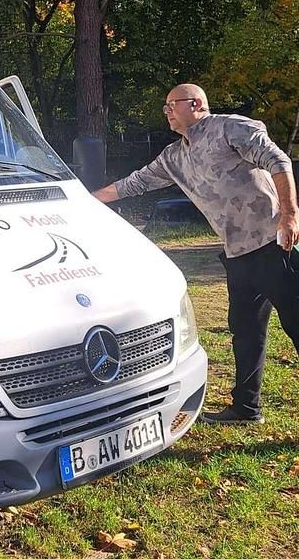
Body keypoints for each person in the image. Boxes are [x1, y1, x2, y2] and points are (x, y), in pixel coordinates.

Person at [92, 83, 298, 425]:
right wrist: (85, 199)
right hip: (237, 255)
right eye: (165, 107)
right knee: (245, 332)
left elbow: (278, 160)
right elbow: (135, 183)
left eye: (172, 105)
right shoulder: (175, 156)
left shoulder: (230, 128)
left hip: (276, 245)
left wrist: (290, 214)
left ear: (196, 103)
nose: (167, 112)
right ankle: (246, 408)